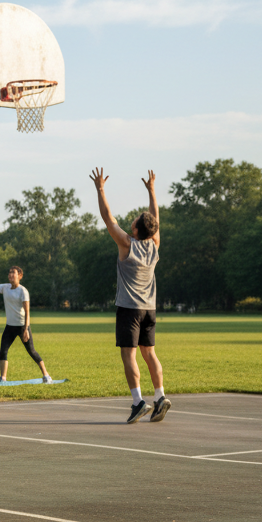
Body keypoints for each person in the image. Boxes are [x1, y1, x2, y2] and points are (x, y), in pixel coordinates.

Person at [91, 167, 168, 424]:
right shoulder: (154, 244)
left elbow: (107, 218)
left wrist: (100, 189)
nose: (133, 219)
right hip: (150, 309)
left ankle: (138, 402)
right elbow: (154, 218)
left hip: (129, 308)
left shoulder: (127, 244)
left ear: (135, 229)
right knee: (150, 354)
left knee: (129, 355)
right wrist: (152, 191)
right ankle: (159, 396)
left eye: (135, 219)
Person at [0, 264, 53, 384]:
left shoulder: (23, 291)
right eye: (9, 272)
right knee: (3, 351)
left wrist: (26, 329)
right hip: (10, 326)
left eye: (13, 272)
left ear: (20, 276)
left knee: (32, 351)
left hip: (22, 326)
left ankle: (46, 375)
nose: (10, 274)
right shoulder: (5, 287)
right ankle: (3, 378)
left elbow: (27, 312)